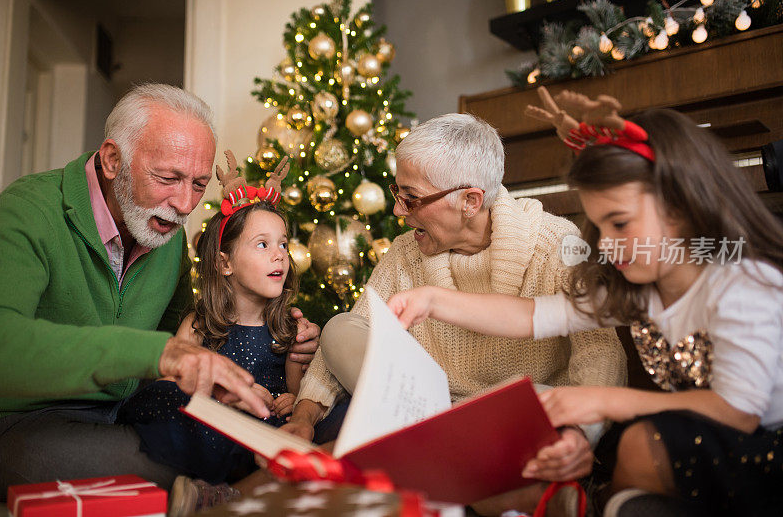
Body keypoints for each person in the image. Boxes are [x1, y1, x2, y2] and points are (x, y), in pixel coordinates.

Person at [387, 89, 783, 515]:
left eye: (620, 224)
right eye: (599, 225)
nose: (608, 246)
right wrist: (432, 300)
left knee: (638, 441)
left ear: (683, 206)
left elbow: (738, 412)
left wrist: (602, 400)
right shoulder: (640, 282)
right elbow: (535, 314)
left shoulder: (743, 286)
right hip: (709, 437)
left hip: (764, 448)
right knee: (635, 449)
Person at [0, 84, 319, 501]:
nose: (183, 204)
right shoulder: (30, 209)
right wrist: (159, 354)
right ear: (111, 160)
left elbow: (184, 330)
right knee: (175, 462)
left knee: (242, 443)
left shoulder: (165, 235)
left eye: (198, 184)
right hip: (22, 422)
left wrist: (287, 338)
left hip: (128, 415)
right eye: (167, 178)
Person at [284, 112, 627, 515]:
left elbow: (600, 351)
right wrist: (305, 415)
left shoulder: (556, 244)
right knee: (342, 329)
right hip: (425, 416)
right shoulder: (405, 252)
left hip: (504, 424)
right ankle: (490, 491)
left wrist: (579, 437)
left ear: (470, 200)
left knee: (540, 402)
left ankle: (426, 475)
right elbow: (355, 337)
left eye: (411, 198)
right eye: (398, 192)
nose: (397, 210)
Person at [119, 154, 304, 514]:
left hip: (261, 428)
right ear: (224, 263)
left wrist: (287, 401)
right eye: (263, 245)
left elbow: (294, 395)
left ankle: (229, 493)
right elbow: (175, 379)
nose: (279, 256)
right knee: (179, 409)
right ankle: (207, 488)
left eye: (283, 244)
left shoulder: (290, 328)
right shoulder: (200, 323)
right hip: (214, 422)